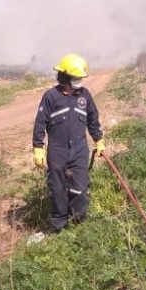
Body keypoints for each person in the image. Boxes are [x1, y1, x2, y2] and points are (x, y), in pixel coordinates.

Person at [32, 54, 106, 233]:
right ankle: (59, 228)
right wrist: (38, 148)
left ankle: (78, 226)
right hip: (58, 151)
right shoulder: (51, 96)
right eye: (76, 78)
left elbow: (93, 120)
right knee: (58, 190)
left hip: (80, 150)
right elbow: (40, 122)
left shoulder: (85, 96)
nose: (79, 81)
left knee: (80, 189)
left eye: (80, 78)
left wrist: (99, 139)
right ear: (65, 76)